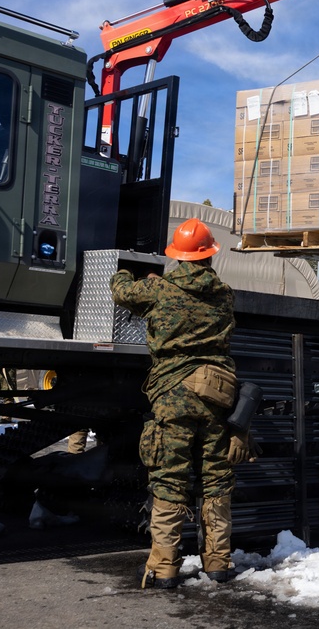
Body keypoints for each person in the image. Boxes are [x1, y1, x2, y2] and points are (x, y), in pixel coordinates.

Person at [111, 217, 257, 589]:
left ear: (178, 257)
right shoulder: (224, 293)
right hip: (216, 396)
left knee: (169, 479)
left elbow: (121, 292)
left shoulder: (160, 290)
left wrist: (129, 273)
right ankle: (219, 563)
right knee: (216, 479)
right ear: (209, 256)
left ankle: (164, 568)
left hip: (173, 395)